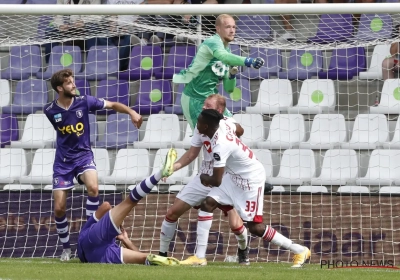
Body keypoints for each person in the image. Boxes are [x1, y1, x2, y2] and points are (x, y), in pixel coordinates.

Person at [179, 109, 311, 267]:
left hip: (250, 180)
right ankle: (199, 257)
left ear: (206, 126)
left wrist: (203, 177)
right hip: (235, 176)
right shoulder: (219, 127)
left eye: (199, 122)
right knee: (208, 204)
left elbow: (216, 180)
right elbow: (239, 129)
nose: (197, 124)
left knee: (255, 227)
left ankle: (299, 250)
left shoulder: (220, 145)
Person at [44, 69, 142, 261]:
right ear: (59, 88)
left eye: (73, 81)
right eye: (70, 83)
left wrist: (131, 111)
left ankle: (90, 235)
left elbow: (112, 104)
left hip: (83, 157)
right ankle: (66, 249)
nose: (74, 85)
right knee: (59, 208)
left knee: (93, 187)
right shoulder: (50, 111)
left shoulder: (85, 101)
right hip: (63, 163)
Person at [159, 94, 249, 266]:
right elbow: (192, 154)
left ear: (219, 110)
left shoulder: (227, 125)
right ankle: (162, 254)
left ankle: (242, 250)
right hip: (205, 176)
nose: (203, 108)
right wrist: (173, 168)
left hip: (226, 178)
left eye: (208, 106)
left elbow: (240, 131)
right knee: (172, 213)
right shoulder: (201, 126)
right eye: (204, 105)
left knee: (236, 225)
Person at [78, 148, 180, 265]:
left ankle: (160, 173)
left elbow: (106, 206)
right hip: (103, 252)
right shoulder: (105, 236)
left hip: (91, 248)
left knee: (129, 203)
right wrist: (117, 227)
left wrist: (123, 236)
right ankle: (160, 174)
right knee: (130, 203)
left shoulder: (88, 229)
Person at [173, 13, 264, 130]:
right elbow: (224, 57)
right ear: (218, 29)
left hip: (212, 100)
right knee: (204, 138)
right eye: (228, 27)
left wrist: (231, 74)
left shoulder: (226, 48)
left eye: (234, 27)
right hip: (194, 99)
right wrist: (249, 61)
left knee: (236, 130)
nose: (232, 31)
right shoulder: (213, 42)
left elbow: (229, 88)